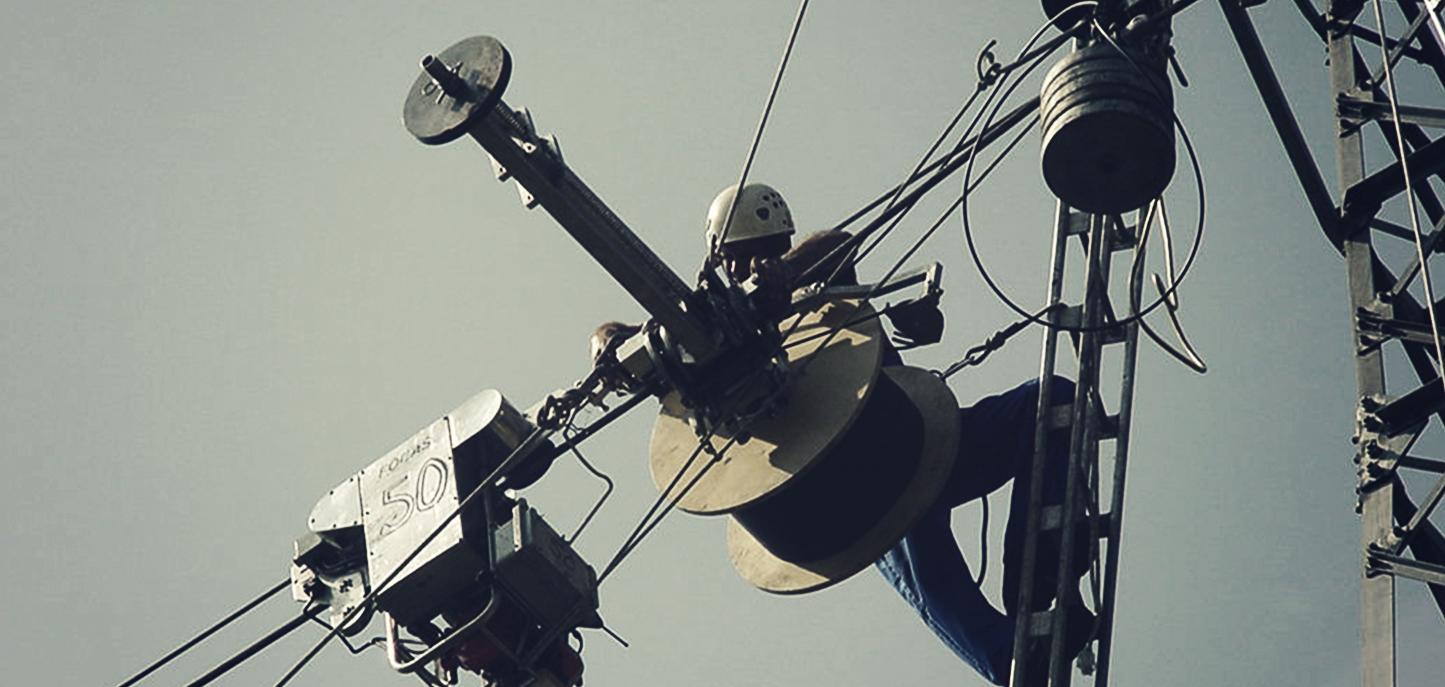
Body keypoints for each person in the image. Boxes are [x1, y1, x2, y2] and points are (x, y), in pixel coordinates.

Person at [598, 183, 1090, 685]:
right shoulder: (703, 344)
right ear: (722, 261)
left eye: (771, 250)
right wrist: (608, 342)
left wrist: (786, 275)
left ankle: (1038, 560)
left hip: (918, 436)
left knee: (1049, 400)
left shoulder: (818, 285)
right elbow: (628, 338)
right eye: (744, 257)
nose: (756, 267)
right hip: (852, 486)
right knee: (922, 554)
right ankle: (1012, 659)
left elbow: (839, 242)